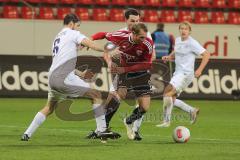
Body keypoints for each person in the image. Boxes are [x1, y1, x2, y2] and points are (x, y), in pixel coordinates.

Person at [21, 14, 119, 142]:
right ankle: (102, 130)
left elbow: (62, 61)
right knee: (95, 95)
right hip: (64, 77)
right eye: (77, 25)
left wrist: (80, 74)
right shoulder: (73, 33)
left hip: (52, 77)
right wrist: (106, 49)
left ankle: (27, 134)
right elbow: (90, 43)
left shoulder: (57, 38)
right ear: (72, 23)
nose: (78, 28)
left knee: (49, 107)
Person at [86, 8, 155, 141]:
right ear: (126, 20)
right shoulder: (121, 35)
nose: (135, 23)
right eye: (132, 21)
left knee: (144, 107)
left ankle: (129, 122)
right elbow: (104, 36)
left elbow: (148, 61)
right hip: (123, 71)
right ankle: (100, 130)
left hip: (140, 72)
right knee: (116, 97)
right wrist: (90, 39)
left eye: (137, 21)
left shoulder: (146, 37)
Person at [156, 21, 210, 127]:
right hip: (178, 73)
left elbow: (207, 54)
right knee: (171, 98)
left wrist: (199, 70)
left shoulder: (192, 42)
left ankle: (166, 121)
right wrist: (169, 56)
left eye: (186, 29)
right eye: (181, 28)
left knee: (167, 93)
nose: (183, 31)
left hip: (186, 74)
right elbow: (177, 51)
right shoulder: (177, 40)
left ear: (189, 31)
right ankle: (192, 111)